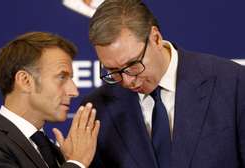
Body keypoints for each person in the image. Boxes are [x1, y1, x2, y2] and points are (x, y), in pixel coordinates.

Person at [81, 0, 245, 168]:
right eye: (113, 70)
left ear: (156, 38)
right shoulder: (97, 109)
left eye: (133, 65)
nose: (127, 81)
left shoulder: (234, 84)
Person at [0, 32, 100, 168]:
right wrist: (77, 163)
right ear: (25, 80)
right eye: (62, 77)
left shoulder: (56, 153)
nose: (74, 91)